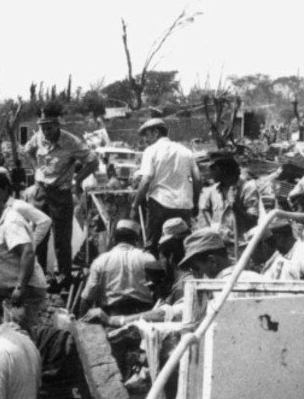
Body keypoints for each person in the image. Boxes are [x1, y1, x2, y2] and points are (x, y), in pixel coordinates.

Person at [21, 103, 99, 281]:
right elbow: (27, 150)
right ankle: (40, 275)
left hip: (60, 193)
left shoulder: (71, 142)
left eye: (49, 127)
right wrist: (36, 170)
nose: (46, 132)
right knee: (39, 235)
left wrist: (78, 180)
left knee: (62, 239)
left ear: (57, 125)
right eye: (42, 127)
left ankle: (64, 276)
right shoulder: (39, 137)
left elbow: (93, 162)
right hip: (41, 192)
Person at [0, 189, 48, 331]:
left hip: (27, 290)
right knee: (14, 331)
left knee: (22, 333)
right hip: (15, 289)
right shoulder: (0, 224)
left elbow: (27, 252)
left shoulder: (11, 223)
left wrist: (20, 288)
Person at [133, 118, 199, 253]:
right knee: (182, 246)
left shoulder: (151, 150)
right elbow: (195, 179)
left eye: (146, 135)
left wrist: (135, 205)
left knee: (153, 246)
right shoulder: (185, 151)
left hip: (159, 205)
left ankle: (155, 272)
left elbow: (146, 180)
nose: (145, 139)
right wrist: (195, 202)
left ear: (156, 132)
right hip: (183, 206)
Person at [77, 219, 155, 318]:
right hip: (143, 316)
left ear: (114, 239)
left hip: (111, 316)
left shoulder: (101, 260)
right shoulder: (148, 258)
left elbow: (88, 297)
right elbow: (160, 291)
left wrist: (82, 323)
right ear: (136, 240)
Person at [197, 154, 259, 255]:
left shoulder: (248, 188)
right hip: (222, 246)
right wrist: (212, 228)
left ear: (224, 170)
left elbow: (253, 220)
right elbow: (205, 209)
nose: (210, 172)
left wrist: (235, 207)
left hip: (242, 246)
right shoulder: (214, 190)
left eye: (213, 168)